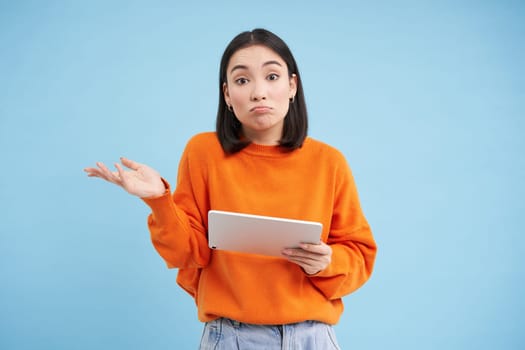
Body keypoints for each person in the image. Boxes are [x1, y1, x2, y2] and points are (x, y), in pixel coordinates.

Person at [84, 28, 377, 350]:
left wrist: (327, 262)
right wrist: (158, 199)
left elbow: (359, 255)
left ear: (292, 86)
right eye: (242, 80)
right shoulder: (203, 152)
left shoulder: (329, 162)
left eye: (272, 77)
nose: (258, 93)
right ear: (226, 94)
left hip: (311, 337)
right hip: (230, 337)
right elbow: (188, 252)